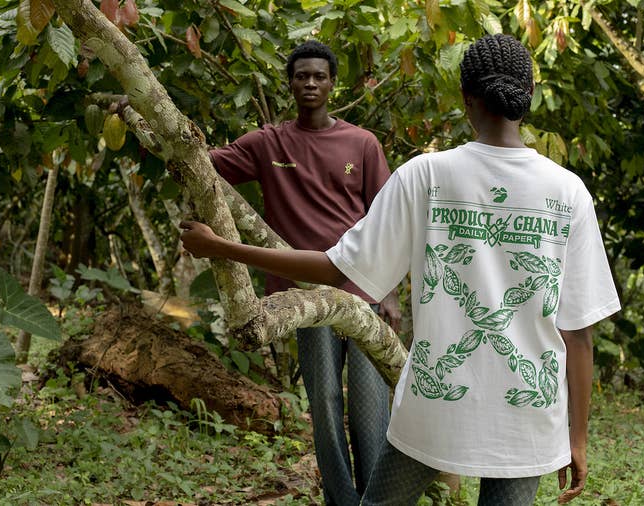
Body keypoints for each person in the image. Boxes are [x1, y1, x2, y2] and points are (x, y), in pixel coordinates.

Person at [182, 34, 621, 505]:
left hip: (436, 405)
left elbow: (334, 268)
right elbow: (578, 335)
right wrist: (577, 439)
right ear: (527, 97)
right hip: (527, 415)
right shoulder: (568, 191)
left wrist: (224, 248)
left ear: (466, 98)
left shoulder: (425, 175)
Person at [207, 40, 400, 505]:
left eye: (319, 76)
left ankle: (371, 500)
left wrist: (391, 295)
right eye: (301, 76)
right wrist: (147, 118)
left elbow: (391, 220)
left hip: (363, 292)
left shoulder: (362, 143)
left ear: (332, 84)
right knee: (326, 405)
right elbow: (201, 163)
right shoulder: (268, 142)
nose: (310, 83)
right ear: (290, 83)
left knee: (370, 410)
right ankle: (341, 500)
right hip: (306, 300)